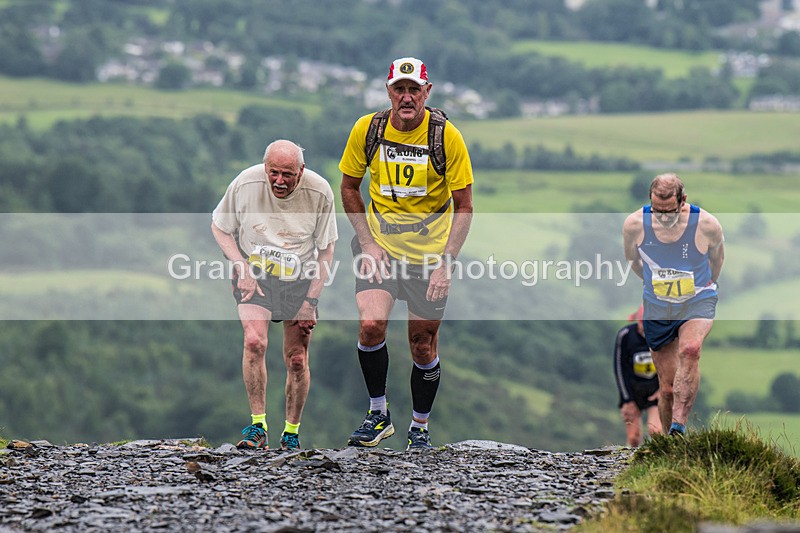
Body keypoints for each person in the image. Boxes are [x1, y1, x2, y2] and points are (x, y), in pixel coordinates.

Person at [339, 57, 474, 450]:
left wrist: (446, 264)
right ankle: (378, 414)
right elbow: (349, 188)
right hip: (379, 244)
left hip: (430, 255)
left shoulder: (446, 136)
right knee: (370, 326)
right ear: (388, 91)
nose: (407, 96)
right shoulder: (368, 129)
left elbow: (464, 205)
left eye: (415, 89)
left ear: (427, 92)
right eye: (399, 88)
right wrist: (366, 241)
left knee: (422, 344)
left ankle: (420, 427)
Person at [211, 139, 338, 450]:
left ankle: (291, 433)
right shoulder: (245, 182)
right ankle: (257, 428)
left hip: (300, 276)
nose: (279, 181)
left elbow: (326, 251)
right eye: (273, 173)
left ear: (301, 171)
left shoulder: (319, 190)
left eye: (287, 174)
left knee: (296, 359)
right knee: (254, 341)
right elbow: (220, 227)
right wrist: (240, 266)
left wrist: (311, 302)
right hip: (255, 272)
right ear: (265, 167)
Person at [623, 173, 724, 437]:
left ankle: (679, 426)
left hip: (697, 299)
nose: (663, 218)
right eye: (657, 211)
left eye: (669, 212)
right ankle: (671, 445)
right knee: (666, 388)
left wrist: (706, 286)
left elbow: (717, 260)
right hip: (658, 306)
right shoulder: (634, 224)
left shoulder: (707, 224)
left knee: (690, 350)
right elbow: (633, 261)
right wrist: (655, 283)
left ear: (683, 201)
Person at [614, 305, 662, 446]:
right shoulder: (626, 335)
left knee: (656, 431)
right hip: (632, 390)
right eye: (642, 323)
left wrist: (663, 389)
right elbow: (619, 367)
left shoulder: (661, 335)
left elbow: (670, 363)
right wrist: (627, 399)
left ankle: (658, 463)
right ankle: (632, 465)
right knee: (634, 437)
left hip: (654, 390)